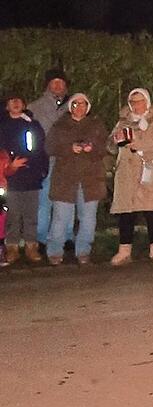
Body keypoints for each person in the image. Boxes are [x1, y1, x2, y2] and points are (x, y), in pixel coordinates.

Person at [44, 93, 108, 265]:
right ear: (70, 106)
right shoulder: (60, 125)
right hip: (65, 179)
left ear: (88, 106)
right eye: (76, 104)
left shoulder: (96, 125)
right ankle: (55, 250)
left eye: (83, 104)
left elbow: (105, 147)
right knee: (60, 217)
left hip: (90, 179)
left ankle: (83, 250)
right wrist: (69, 148)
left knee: (88, 218)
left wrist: (92, 148)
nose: (79, 107)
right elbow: (49, 146)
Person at [109, 89, 153, 265]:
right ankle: (124, 250)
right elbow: (111, 145)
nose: (136, 105)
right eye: (133, 102)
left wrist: (138, 143)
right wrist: (116, 140)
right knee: (126, 211)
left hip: (148, 169)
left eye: (140, 101)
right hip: (127, 172)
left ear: (147, 102)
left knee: (152, 210)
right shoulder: (122, 122)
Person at [0, 94, 48, 264]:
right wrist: (9, 167)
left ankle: (31, 246)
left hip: (31, 178)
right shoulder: (3, 126)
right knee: (12, 215)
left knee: (31, 215)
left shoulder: (32, 124)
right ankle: (12, 247)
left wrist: (42, 170)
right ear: (7, 106)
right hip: (11, 180)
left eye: (19, 100)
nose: (16, 103)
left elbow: (41, 149)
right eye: (12, 100)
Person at [27, 67, 69, 248]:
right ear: (48, 85)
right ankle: (41, 238)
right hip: (45, 160)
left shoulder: (73, 105)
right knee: (44, 201)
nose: (58, 86)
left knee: (67, 200)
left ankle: (67, 237)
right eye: (54, 82)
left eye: (61, 82)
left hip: (68, 161)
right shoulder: (34, 107)